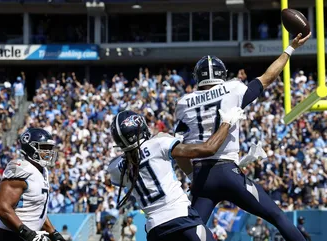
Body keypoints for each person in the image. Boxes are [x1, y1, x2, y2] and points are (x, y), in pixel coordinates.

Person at [174, 32, 311, 241]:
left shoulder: (183, 103)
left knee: (192, 234)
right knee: (276, 216)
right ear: (222, 74)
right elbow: (268, 77)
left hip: (202, 178)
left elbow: (179, 152)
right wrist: (290, 48)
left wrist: (193, 177)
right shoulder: (233, 89)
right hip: (228, 173)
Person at [108, 108, 244, 241]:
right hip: (182, 218)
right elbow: (208, 148)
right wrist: (226, 123)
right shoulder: (158, 144)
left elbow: (130, 160)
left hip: (155, 230)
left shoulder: (115, 168)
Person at [0, 128, 66, 241]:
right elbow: (2, 208)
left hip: (28, 235)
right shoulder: (21, 169)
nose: (49, 152)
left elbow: (35, 209)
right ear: (30, 148)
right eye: (44, 148)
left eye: (50, 148)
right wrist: (28, 234)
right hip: (11, 235)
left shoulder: (43, 171)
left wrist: (53, 232)